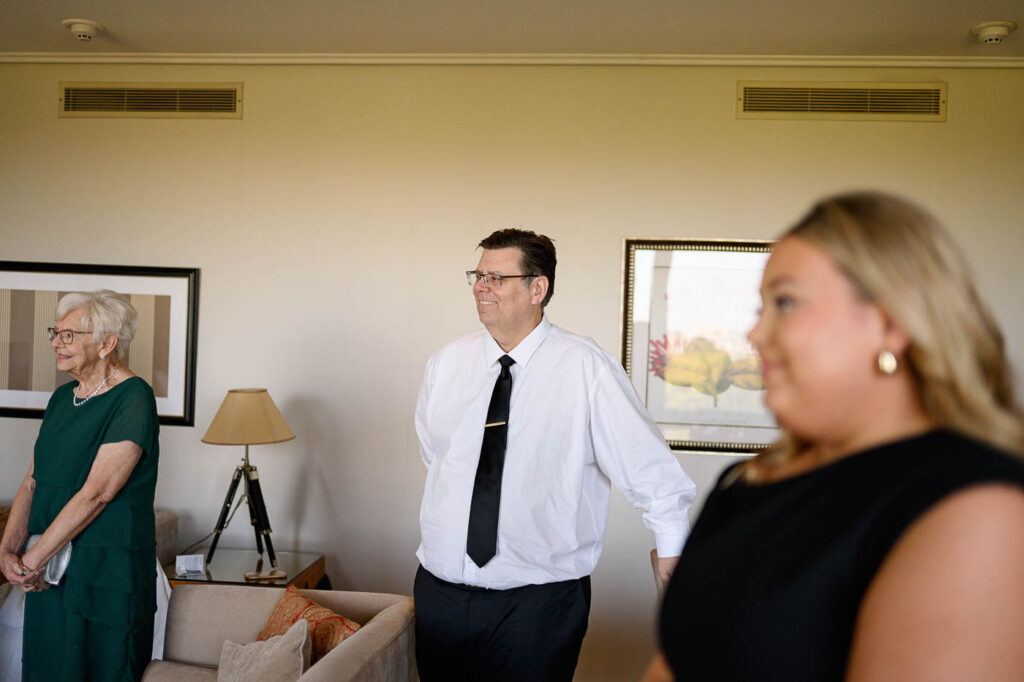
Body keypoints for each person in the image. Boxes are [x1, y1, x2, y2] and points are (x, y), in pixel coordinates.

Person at [647, 191, 1024, 681]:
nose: (756, 335)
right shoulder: (747, 480)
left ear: (891, 322)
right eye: (761, 308)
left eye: (785, 302)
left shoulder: (976, 506)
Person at [414, 228, 696, 681]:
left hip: (538, 605)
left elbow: (652, 473)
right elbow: (439, 460)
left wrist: (672, 557)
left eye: (496, 277)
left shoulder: (587, 368)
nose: (480, 287)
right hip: (440, 596)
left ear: (537, 288)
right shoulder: (445, 364)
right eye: (477, 275)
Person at [0, 290, 160, 681]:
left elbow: (97, 494)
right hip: (50, 570)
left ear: (107, 343)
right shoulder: (61, 399)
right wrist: (7, 551)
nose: (57, 342)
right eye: (56, 332)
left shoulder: (134, 398)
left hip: (103, 571)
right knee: (45, 668)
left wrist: (31, 560)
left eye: (70, 334)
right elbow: (32, 482)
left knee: (97, 670)